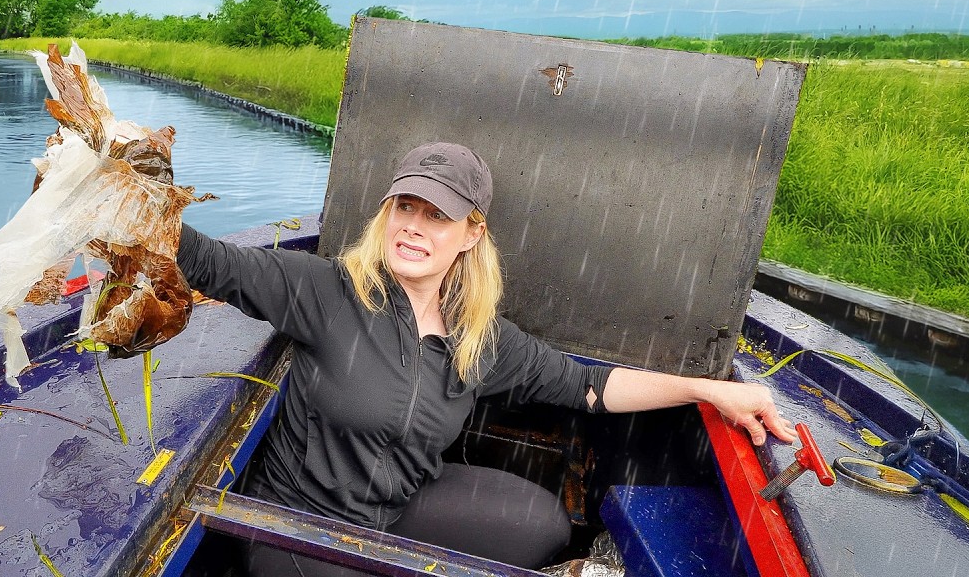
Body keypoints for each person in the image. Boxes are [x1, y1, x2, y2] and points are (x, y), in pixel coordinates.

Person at [175, 142, 797, 576]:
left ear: (472, 234)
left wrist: (707, 390)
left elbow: (587, 386)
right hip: (298, 526)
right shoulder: (326, 291)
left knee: (544, 525)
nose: (413, 226)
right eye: (405, 207)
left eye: (437, 216)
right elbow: (207, 262)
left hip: (393, 509)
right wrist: (130, 182)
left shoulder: (477, 337)